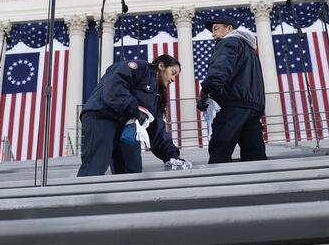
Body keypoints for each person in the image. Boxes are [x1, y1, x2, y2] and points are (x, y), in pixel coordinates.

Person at [78, 54, 183, 176]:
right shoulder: (140, 68)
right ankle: (79, 195)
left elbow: (156, 129)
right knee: (96, 164)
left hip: (127, 126)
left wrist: (172, 156)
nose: (173, 79)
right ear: (161, 66)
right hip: (102, 115)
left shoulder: (155, 98)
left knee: (132, 170)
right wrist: (135, 109)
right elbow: (114, 86)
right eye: (173, 72)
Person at [197, 15, 267, 163]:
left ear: (229, 29)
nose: (213, 33)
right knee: (255, 156)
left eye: (216, 28)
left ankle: (219, 185)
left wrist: (206, 91)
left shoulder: (227, 42)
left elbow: (220, 68)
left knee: (219, 152)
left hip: (232, 105)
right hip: (253, 107)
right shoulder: (250, 50)